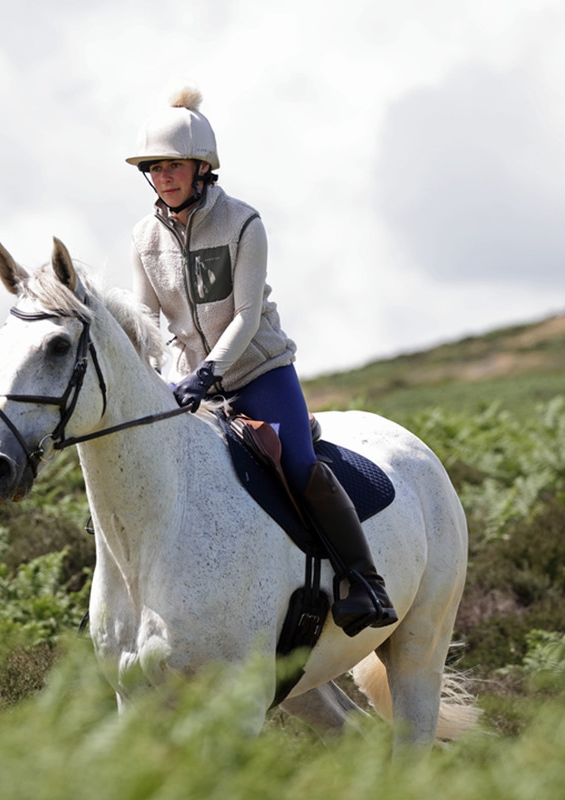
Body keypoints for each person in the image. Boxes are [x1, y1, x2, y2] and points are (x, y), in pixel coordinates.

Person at [126, 85, 397, 637]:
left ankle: (365, 581)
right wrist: (156, 379)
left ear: (202, 168)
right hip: (187, 382)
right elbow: (144, 321)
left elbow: (245, 317)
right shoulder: (143, 238)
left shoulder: (243, 223)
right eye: (153, 167)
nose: (163, 177)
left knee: (296, 463)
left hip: (257, 373)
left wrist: (209, 374)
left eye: (174, 165)